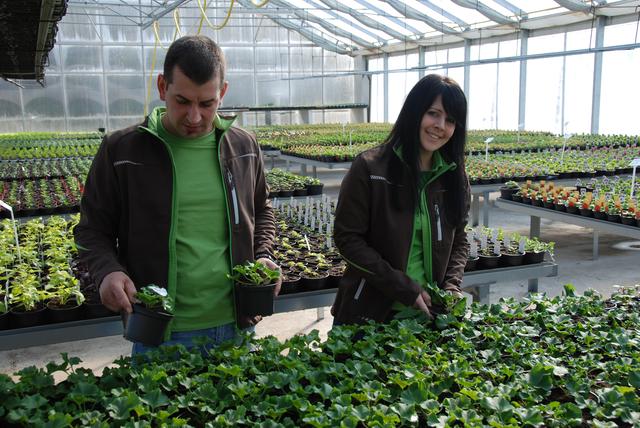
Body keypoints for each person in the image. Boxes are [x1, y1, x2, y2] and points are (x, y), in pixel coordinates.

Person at [74, 35, 281, 355]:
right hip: (158, 331)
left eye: (207, 103)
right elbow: (91, 228)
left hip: (237, 326)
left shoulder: (243, 147)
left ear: (222, 93)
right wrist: (107, 271)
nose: (194, 117)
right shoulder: (122, 150)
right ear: (162, 87)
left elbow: (261, 209)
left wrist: (264, 254)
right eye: (182, 101)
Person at [331, 74, 470, 326]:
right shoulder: (371, 168)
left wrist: (451, 286)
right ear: (414, 112)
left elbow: (459, 239)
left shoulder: (453, 175)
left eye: (450, 120)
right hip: (371, 314)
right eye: (433, 113)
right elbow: (348, 239)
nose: (440, 125)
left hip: (429, 315)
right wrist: (405, 289)